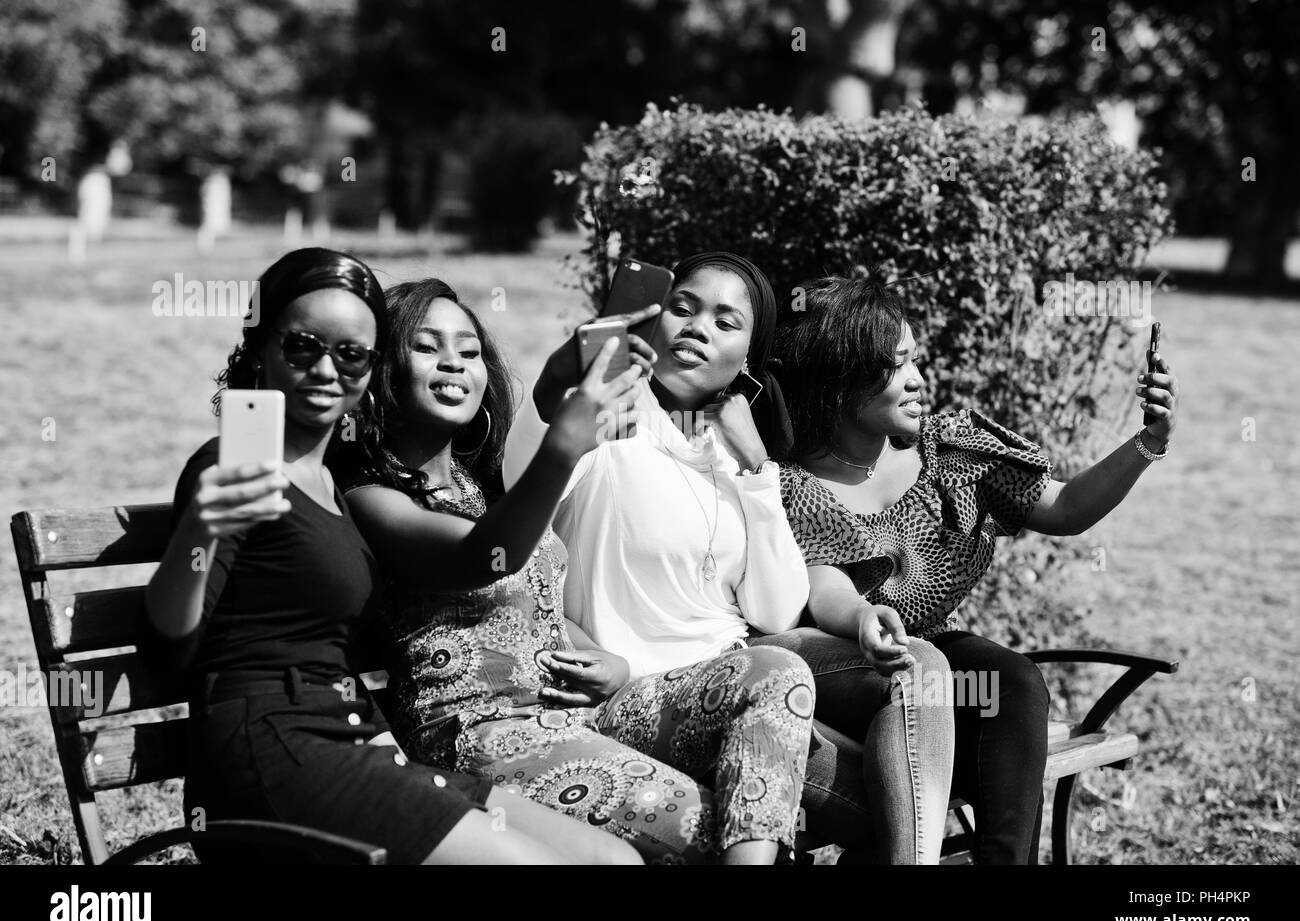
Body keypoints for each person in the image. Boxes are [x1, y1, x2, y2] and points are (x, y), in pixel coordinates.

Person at [144, 248, 638, 865]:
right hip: (269, 750)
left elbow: (499, 517)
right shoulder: (235, 468)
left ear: (370, 371)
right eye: (302, 346)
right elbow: (168, 650)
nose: (326, 367)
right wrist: (198, 532)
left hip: (352, 742)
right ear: (260, 350)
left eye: (350, 354)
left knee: (611, 861)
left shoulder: (326, 485)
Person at [341, 277, 813, 864]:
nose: (453, 364)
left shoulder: (477, 488)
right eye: (427, 347)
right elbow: (484, 556)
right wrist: (569, 415)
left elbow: (539, 601)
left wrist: (605, 658)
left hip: (580, 714)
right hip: (482, 736)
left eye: (468, 351)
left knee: (776, 671)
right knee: (719, 829)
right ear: (381, 370)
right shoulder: (373, 497)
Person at [503, 252, 955, 864]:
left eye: (725, 321)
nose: (697, 328)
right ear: (652, 326)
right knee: (887, 804)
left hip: (746, 664)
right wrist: (581, 642)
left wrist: (755, 468)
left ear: (748, 357)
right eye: (682, 310)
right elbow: (513, 552)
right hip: (650, 692)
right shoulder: (607, 425)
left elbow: (774, 610)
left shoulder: (730, 450)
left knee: (919, 665)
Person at [773, 273, 1181, 864]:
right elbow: (824, 581)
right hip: (848, 675)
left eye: (914, 360)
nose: (917, 382)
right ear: (839, 383)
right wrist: (863, 617)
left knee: (1009, 680)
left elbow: (1066, 508)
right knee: (931, 681)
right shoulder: (795, 485)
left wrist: (1148, 441)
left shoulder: (951, 454)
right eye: (894, 368)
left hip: (935, 665)